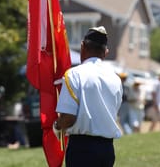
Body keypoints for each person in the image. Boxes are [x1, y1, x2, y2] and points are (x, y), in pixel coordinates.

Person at [53, 26, 123, 167]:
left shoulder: (74, 74)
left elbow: (69, 118)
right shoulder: (116, 78)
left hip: (82, 149)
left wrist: (56, 126)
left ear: (82, 46)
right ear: (105, 52)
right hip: (107, 149)